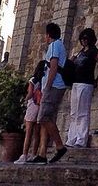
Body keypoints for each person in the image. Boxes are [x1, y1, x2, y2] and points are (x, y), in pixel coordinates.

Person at [31, 22, 68, 165]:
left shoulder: (54, 46)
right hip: (57, 86)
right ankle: (42, 153)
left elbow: (53, 67)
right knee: (49, 118)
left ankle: (59, 146)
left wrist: (47, 86)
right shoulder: (60, 45)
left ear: (48, 35)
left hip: (53, 86)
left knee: (43, 118)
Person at [65, 27, 98, 148]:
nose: (84, 41)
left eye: (86, 39)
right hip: (76, 82)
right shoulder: (80, 52)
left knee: (83, 111)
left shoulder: (94, 51)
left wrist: (97, 79)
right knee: (74, 112)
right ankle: (71, 138)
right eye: (82, 39)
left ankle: (81, 139)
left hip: (86, 83)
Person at [15, 60, 45, 163]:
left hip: (32, 105)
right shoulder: (44, 80)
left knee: (28, 132)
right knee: (37, 133)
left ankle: (24, 154)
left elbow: (30, 94)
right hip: (40, 106)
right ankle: (33, 154)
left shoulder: (33, 80)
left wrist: (23, 100)